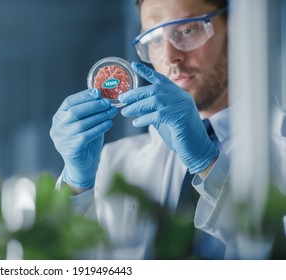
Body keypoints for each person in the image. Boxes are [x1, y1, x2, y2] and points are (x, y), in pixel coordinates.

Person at [50, 0, 286, 259]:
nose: (169, 55)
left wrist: (209, 164)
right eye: (153, 38)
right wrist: (76, 187)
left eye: (187, 30)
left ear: (235, 27)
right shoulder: (115, 162)